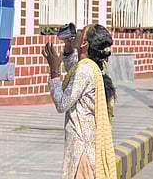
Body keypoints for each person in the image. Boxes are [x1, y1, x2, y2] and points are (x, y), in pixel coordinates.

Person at [42, 24, 117, 179]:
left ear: (84, 44)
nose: (78, 32)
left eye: (82, 32)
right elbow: (73, 70)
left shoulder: (85, 70)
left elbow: (62, 103)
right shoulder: (96, 65)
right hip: (90, 146)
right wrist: (69, 48)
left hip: (81, 149)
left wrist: (54, 70)